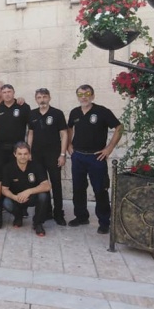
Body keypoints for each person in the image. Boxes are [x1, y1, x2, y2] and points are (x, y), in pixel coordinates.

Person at [67, 84, 123, 234]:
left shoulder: (102, 111)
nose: (84, 97)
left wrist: (109, 148)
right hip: (78, 156)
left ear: (93, 96)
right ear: (77, 96)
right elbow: (69, 128)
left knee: (100, 190)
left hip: (96, 157)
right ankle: (81, 216)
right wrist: (68, 145)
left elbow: (119, 127)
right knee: (78, 189)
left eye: (87, 94)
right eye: (80, 94)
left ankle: (104, 222)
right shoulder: (74, 112)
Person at [27, 88, 68, 226]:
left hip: (54, 155)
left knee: (56, 184)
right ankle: (46, 212)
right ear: (36, 99)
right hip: (37, 155)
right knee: (42, 184)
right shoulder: (32, 114)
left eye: (44, 97)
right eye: (39, 97)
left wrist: (62, 154)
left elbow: (64, 134)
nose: (42, 99)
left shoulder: (57, 113)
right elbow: (30, 134)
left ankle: (58, 213)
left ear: (49, 98)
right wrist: (29, 152)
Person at [1, 142, 51, 236]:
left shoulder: (36, 166)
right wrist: (15, 197)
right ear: (15, 154)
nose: (23, 156)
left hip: (31, 197)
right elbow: (4, 189)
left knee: (43, 196)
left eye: (25, 154)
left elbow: (47, 186)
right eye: (20, 154)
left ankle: (38, 223)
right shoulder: (8, 168)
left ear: (29, 154)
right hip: (16, 198)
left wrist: (28, 191)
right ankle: (18, 217)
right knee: (6, 202)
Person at [0, 84, 31, 167]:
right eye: (4, 92)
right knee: (1, 171)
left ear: (14, 92)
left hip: (18, 147)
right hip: (1, 147)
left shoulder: (23, 107)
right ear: (1, 94)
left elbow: (30, 128)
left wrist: (28, 146)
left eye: (9, 92)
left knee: (17, 171)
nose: (7, 94)